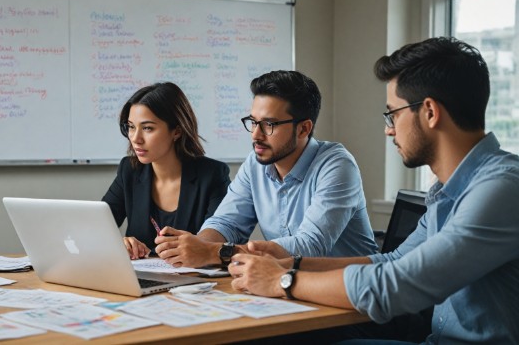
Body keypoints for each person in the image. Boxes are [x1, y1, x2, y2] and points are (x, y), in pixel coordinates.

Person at [229, 37, 519, 343]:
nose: (388, 128)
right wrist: (290, 263)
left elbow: (397, 286)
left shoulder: (501, 189)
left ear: (430, 112)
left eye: (393, 114)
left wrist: (282, 281)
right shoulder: (449, 191)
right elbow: (391, 261)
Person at [154, 70, 378, 269]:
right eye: (253, 121)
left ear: (303, 129)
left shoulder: (337, 165)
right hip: (287, 285)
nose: (255, 135)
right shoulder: (255, 164)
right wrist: (195, 247)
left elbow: (310, 245)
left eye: (269, 124)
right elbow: (226, 223)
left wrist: (214, 252)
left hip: (350, 296)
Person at [102, 82, 231, 260]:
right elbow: (99, 228)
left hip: (195, 282)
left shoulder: (212, 175)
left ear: (176, 131)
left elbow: (222, 239)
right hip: (141, 279)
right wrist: (120, 243)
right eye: (131, 127)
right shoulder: (129, 170)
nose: (136, 138)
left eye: (147, 128)